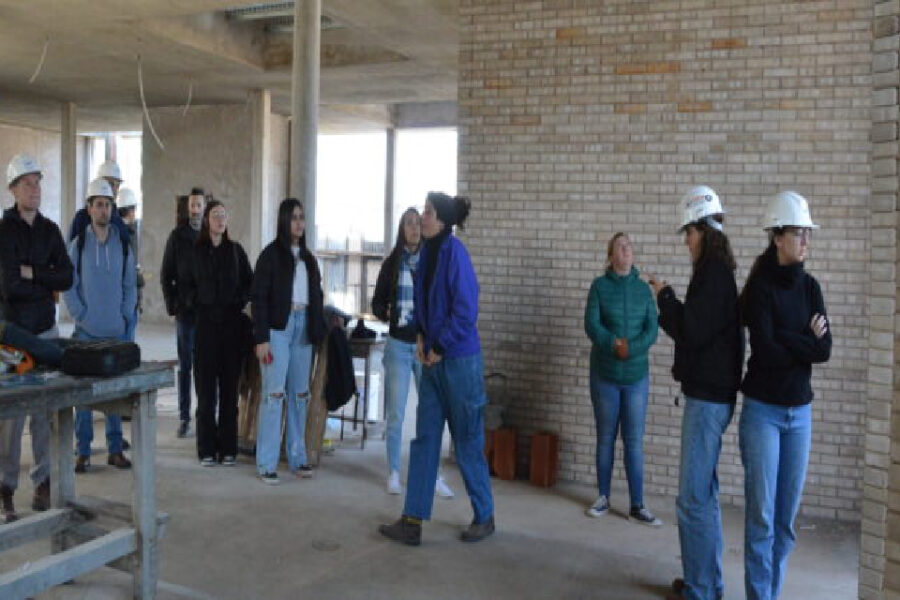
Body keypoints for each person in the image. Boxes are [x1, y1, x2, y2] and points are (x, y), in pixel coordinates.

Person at [379, 192, 494, 546]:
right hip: (431, 360)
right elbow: (424, 305)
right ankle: (412, 520)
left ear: (442, 222)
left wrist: (439, 346)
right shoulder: (425, 255)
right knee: (425, 438)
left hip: (458, 362)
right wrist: (419, 337)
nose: (421, 219)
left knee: (468, 441)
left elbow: (465, 310)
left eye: (427, 213)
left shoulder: (455, 253)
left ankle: (485, 515)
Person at [648, 186, 743, 600]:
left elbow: (692, 329)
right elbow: (696, 329)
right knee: (703, 496)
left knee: (692, 499)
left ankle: (701, 590)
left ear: (704, 229)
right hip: (710, 396)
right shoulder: (715, 273)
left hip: (708, 401)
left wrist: (665, 297)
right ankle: (706, 583)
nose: (686, 240)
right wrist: (669, 300)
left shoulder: (714, 275)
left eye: (688, 231)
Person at [738, 191, 831, 600]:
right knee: (761, 517)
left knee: (786, 521)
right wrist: (803, 341)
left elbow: (825, 350)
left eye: (808, 233)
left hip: (800, 417)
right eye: (799, 233)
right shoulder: (760, 287)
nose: (806, 241)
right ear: (777, 237)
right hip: (763, 413)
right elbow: (766, 351)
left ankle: (770, 594)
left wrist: (788, 340)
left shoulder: (811, 288)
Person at [0, 154, 73, 522]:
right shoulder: (4, 232)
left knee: (45, 414)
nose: (35, 189)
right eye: (27, 183)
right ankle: (5, 490)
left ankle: (43, 482)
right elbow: (9, 285)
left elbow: (67, 279)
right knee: (11, 419)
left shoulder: (50, 230)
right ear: (13, 189)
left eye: (38, 182)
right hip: (13, 338)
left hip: (46, 332)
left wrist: (35, 274)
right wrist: (43, 280)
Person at [372, 207, 454, 498]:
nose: (415, 228)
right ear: (401, 229)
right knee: (395, 412)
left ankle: (430, 475)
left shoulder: (432, 261)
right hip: (398, 344)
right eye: (408, 224)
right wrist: (387, 312)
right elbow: (377, 304)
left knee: (429, 412)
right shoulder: (392, 263)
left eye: (418, 223)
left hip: (426, 347)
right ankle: (394, 472)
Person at [583, 232, 661, 526]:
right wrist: (614, 344)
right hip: (605, 375)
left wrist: (632, 348)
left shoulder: (643, 290)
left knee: (634, 441)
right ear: (611, 255)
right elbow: (591, 324)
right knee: (605, 438)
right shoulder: (599, 287)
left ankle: (637, 505)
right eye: (620, 246)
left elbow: (651, 329)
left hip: (636, 376)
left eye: (629, 246)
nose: (626, 250)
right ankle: (603, 497)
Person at [64, 177, 137, 473]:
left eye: (108, 205)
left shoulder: (122, 242)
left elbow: (130, 283)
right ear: (89, 208)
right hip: (85, 332)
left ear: (112, 209)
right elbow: (69, 284)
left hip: (115, 331)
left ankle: (115, 449)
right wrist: (80, 314)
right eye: (98, 205)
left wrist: (124, 315)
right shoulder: (79, 244)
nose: (103, 210)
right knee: (83, 397)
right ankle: (82, 451)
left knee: (114, 395)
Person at [251, 198, 326, 484]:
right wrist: (261, 338)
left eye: (302, 217)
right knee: (274, 395)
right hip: (277, 331)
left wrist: (317, 329)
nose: (299, 222)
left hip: (303, 328)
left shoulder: (308, 259)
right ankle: (267, 464)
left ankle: (297, 458)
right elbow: (258, 298)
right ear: (284, 220)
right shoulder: (270, 256)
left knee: (299, 397)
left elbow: (316, 296)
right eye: (294, 217)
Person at [183, 201, 252, 466]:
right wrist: (195, 301)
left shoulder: (235, 251)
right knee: (206, 391)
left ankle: (228, 449)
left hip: (231, 328)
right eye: (215, 215)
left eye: (224, 215)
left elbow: (249, 281)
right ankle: (207, 450)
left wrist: (239, 300)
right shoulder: (195, 252)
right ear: (207, 220)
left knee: (229, 390)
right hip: (205, 328)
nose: (220, 219)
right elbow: (184, 284)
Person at [161, 188, 205, 438]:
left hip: (207, 314)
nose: (195, 209)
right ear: (187, 208)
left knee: (204, 366)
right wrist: (173, 304)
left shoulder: (212, 236)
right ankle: (184, 416)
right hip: (186, 313)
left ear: (204, 206)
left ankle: (203, 414)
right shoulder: (177, 237)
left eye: (199, 205)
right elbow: (166, 274)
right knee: (186, 365)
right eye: (192, 205)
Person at [68, 159, 130, 249]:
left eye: (118, 185)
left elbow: (126, 255)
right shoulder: (81, 218)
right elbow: (71, 253)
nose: (115, 190)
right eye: (111, 184)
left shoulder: (119, 221)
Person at [117, 187, 143, 338]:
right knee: (126, 342)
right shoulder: (128, 233)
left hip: (124, 297)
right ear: (131, 210)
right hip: (128, 297)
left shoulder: (116, 230)